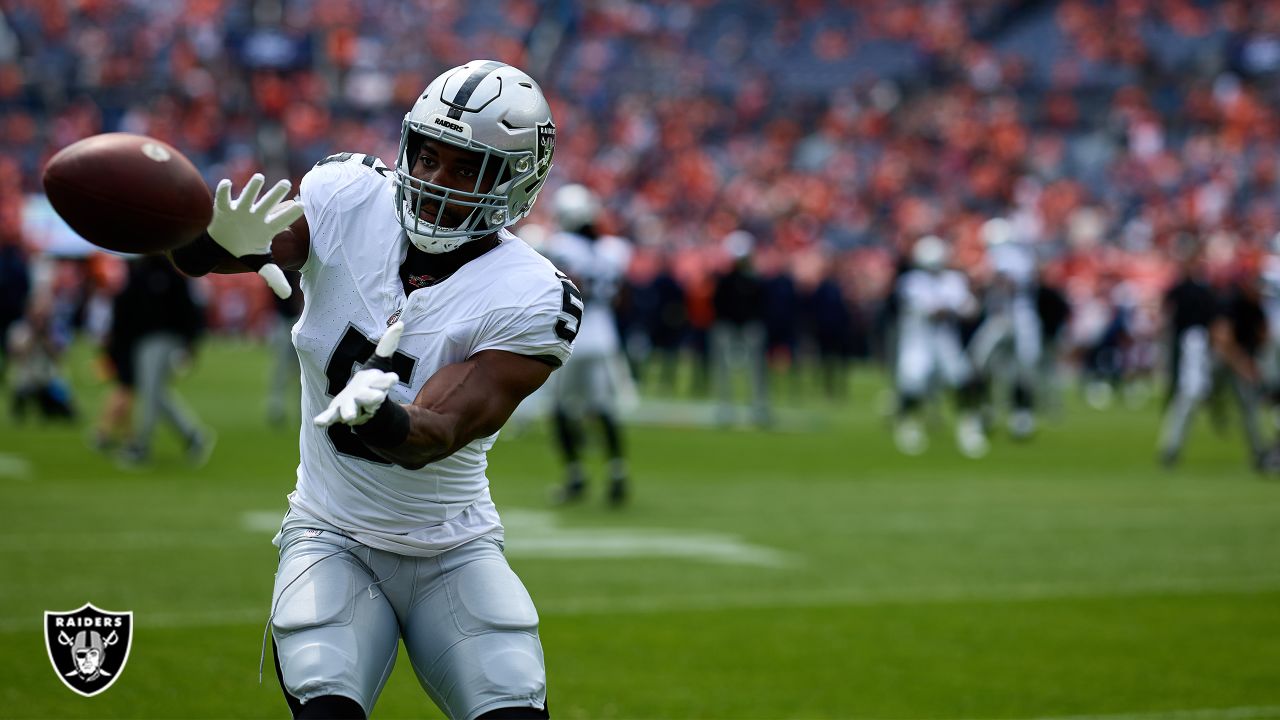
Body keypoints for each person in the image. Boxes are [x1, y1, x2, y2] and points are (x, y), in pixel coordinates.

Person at [169, 60, 567, 720]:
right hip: (332, 536)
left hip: (453, 550)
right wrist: (205, 242)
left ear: (515, 180)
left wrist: (383, 420)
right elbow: (254, 246)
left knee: (510, 702)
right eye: (429, 156)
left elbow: (435, 432)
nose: (438, 182)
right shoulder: (349, 195)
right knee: (327, 697)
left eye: (467, 168)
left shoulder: (533, 293)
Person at [541, 183, 632, 506]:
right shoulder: (614, 249)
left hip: (573, 336)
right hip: (605, 336)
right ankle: (618, 472)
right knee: (604, 409)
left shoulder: (561, 245)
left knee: (561, 409)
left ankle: (575, 475)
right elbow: (619, 295)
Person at [891, 236, 987, 458]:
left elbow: (970, 309)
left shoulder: (953, 280)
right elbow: (929, 310)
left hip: (944, 339)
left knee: (961, 378)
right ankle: (908, 425)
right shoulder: (912, 281)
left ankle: (969, 426)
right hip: (917, 339)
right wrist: (952, 308)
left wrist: (961, 305)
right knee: (913, 380)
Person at [111, 255, 211, 466]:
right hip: (146, 340)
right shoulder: (149, 270)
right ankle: (193, 436)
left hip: (163, 339)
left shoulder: (162, 272)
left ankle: (141, 446)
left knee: (151, 393)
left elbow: (187, 309)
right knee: (155, 393)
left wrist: (189, 342)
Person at [710, 230, 770, 426]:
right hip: (729, 326)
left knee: (756, 370)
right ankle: (726, 407)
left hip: (747, 326)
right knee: (724, 370)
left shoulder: (753, 280)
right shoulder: (727, 280)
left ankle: (758, 406)